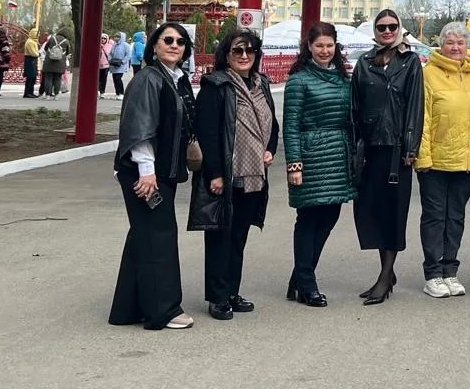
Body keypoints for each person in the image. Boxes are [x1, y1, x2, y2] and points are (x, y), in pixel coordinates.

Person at [109, 22, 197, 330]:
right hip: (145, 172)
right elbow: (141, 126)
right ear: (155, 46)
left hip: (163, 170)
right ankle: (163, 310)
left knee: (143, 236)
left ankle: (127, 309)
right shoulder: (149, 78)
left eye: (180, 42)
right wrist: (147, 172)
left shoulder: (175, 79)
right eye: (167, 40)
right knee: (159, 237)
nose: (174, 45)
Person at [188, 28, 278, 321]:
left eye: (249, 50)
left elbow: (272, 125)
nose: (243, 55)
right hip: (227, 174)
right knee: (220, 236)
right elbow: (207, 131)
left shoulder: (262, 84)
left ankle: (231, 291)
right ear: (226, 55)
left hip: (254, 174)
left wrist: (270, 149)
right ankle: (217, 297)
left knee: (238, 236)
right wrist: (215, 173)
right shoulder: (216, 85)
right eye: (237, 50)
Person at [351, 8, 424, 305]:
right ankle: (386, 272)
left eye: (392, 26)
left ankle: (385, 276)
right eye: (381, 27)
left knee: (394, 212)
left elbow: (416, 106)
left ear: (399, 28)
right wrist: (354, 146)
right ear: (375, 31)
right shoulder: (364, 62)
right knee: (373, 211)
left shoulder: (410, 62)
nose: (387, 31)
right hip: (370, 147)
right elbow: (355, 106)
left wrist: (410, 147)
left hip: (397, 149)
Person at [284, 22, 355, 308]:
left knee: (329, 219)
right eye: (319, 46)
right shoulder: (299, 80)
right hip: (311, 155)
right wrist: (294, 164)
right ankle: (307, 284)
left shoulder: (342, 77)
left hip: (337, 156)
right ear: (309, 47)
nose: (325, 51)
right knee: (308, 220)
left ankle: (299, 278)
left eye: (329, 45)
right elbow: (291, 126)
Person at [415, 21, 470, 298]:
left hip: (464, 160)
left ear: (467, 46)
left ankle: (450, 271)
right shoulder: (428, 74)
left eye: (460, 42)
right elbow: (422, 118)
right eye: (450, 42)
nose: (456, 47)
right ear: (441, 45)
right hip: (435, 161)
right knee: (435, 217)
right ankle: (433, 273)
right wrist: (423, 157)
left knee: (456, 218)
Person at [40, 30, 68, 100]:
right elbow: (67, 52)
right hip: (60, 63)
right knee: (58, 79)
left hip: (49, 62)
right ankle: (56, 95)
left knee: (48, 78)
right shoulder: (66, 41)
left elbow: (45, 48)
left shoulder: (52, 39)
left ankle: (48, 95)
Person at [107, 32, 131, 99]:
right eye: (115, 36)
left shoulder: (126, 45)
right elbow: (111, 53)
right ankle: (117, 93)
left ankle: (121, 93)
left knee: (118, 78)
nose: (116, 38)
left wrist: (123, 61)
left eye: (118, 36)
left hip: (121, 65)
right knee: (114, 79)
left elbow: (128, 55)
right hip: (114, 64)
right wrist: (109, 59)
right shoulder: (114, 45)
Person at [22, 28, 40, 98]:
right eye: (37, 34)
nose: (38, 35)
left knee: (33, 77)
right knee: (30, 77)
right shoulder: (30, 42)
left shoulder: (33, 41)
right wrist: (38, 54)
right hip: (30, 60)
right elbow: (33, 53)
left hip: (32, 60)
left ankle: (30, 92)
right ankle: (27, 93)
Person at [98, 32, 113, 98]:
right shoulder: (97, 45)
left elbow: (111, 55)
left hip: (106, 65)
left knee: (104, 79)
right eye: (101, 38)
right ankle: (97, 91)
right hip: (98, 65)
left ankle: (102, 92)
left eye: (104, 38)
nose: (103, 39)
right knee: (97, 79)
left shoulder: (110, 46)